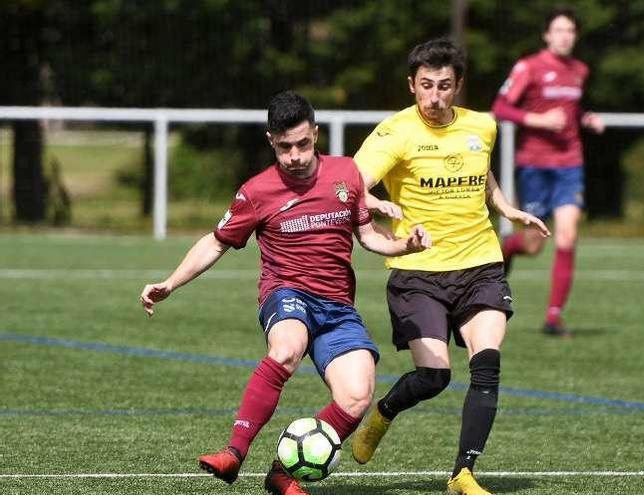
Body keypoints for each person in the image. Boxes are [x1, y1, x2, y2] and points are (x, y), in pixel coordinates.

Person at [139, 90, 431, 495]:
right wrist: (170, 282)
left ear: (315, 133)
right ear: (270, 141)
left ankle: (282, 473)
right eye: (284, 147)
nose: (294, 155)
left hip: (337, 306)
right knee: (287, 348)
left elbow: (369, 236)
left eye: (302, 144)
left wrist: (405, 246)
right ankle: (234, 453)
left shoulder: (347, 175)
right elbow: (216, 241)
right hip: (286, 292)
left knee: (357, 396)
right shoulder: (256, 192)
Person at [349, 39, 549, 495]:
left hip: (480, 263)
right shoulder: (394, 133)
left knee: (488, 364)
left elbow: (482, 172)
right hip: (419, 273)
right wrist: (378, 201)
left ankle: (463, 473)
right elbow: (351, 183)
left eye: (444, 86)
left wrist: (506, 208)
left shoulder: (483, 126)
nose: (435, 97)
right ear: (412, 85)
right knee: (434, 377)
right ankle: (383, 413)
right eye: (425, 86)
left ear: (458, 86)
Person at [491, 6, 605, 338]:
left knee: (567, 236)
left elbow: (572, 109)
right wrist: (538, 120)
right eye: (559, 30)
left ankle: (553, 317)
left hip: (570, 164)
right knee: (533, 244)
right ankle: (507, 247)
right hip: (534, 166)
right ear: (547, 35)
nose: (565, 36)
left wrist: (586, 119)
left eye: (570, 30)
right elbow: (501, 107)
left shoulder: (579, 70)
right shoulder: (529, 67)